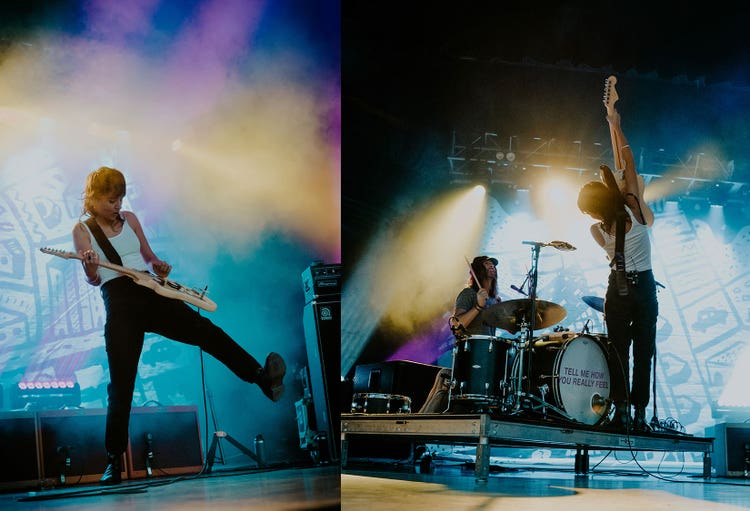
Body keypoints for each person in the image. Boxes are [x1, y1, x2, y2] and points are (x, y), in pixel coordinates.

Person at [72, 166, 287, 484]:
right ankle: (114, 461)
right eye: (110, 200)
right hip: (119, 302)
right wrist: (90, 268)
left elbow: (147, 256)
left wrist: (159, 266)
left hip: (151, 291)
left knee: (206, 331)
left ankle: (262, 379)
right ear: (93, 197)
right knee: (121, 385)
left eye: (120, 199)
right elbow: (92, 280)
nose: (117, 205)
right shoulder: (82, 230)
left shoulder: (130, 219)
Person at [577, 109, 658, 433]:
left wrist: (613, 126)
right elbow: (628, 162)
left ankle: (620, 413)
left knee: (617, 353)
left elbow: (623, 168)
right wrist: (617, 127)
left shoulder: (597, 231)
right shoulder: (633, 206)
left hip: (618, 289)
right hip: (644, 289)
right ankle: (639, 416)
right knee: (644, 353)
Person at [419, 255, 501, 413]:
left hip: (487, 358)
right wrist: (478, 306)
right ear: (477, 270)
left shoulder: (496, 301)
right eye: (487, 264)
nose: (492, 266)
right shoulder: (468, 294)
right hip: (469, 356)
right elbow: (457, 324)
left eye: (493, 264)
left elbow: (512, 328)